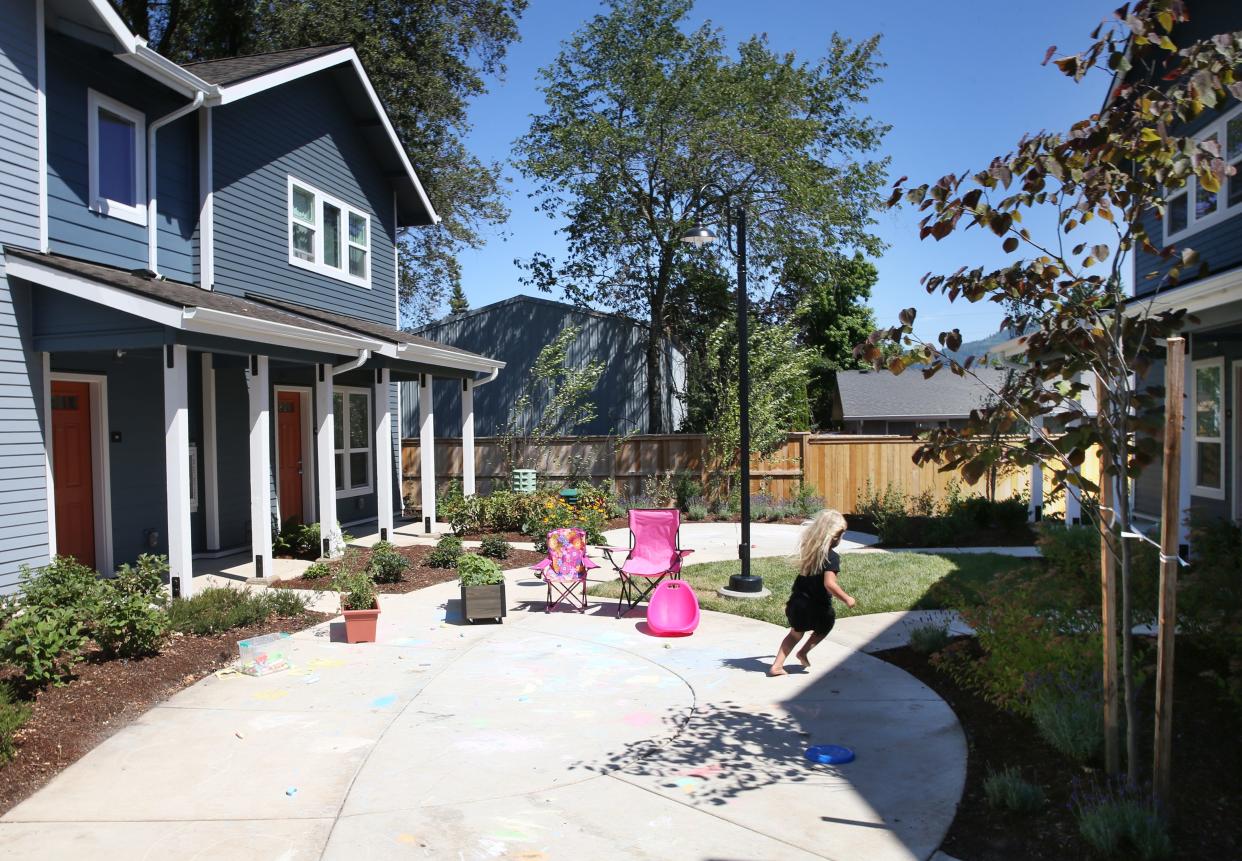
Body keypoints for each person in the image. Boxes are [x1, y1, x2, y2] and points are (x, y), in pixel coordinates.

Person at [768, 509, 856, 676]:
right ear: (832, 537)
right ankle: (803, 652)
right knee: (826, 625)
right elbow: (829, 584)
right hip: (817, 605)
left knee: (795, 633)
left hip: (797, 602)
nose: (839, 539)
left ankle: (777, 665)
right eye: (839, 536)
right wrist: (847, 598)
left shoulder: (809, 551)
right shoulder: (832, 557)